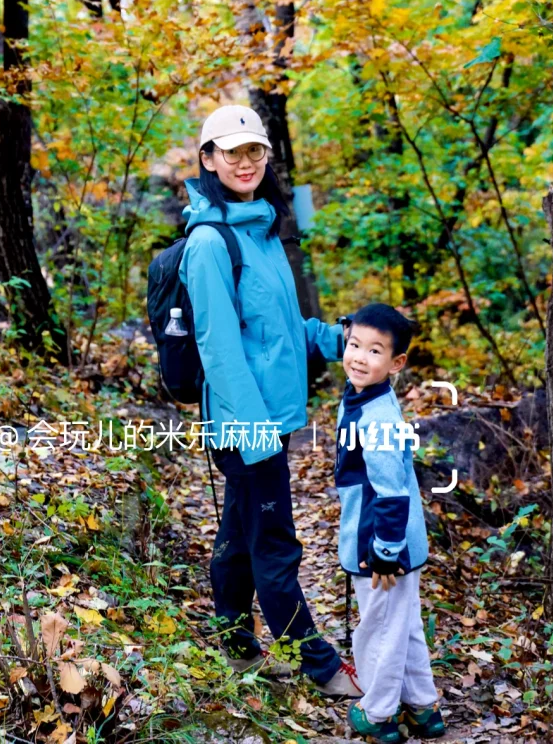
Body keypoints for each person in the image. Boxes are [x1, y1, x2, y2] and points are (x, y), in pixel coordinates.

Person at [180, 104, 362, 698]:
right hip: (245, 424)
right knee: (276, 542)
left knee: (240, 534)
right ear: (208, 159)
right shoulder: (210, 242)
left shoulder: (262, 231)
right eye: (230, 151)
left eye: (253, 150)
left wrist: (341, 341)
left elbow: (285, 324)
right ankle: (320, 664)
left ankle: (235, 645)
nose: (244, 161)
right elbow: (220, 348)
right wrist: (255, 432)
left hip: (273, 418)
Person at [336, 303, 446, 742]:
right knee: (404, 624)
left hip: (384, 548)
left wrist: (383, 554)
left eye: (375, 350)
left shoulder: (378, 418)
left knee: (379, 628)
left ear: (397, 363)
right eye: (354, 345)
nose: (359, 357)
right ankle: (423, 708)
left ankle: (379, 713)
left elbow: (392, 491)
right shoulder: (366, 395)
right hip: (391, 540)